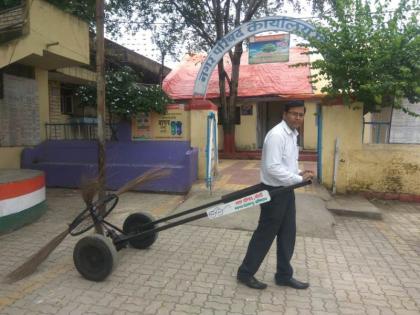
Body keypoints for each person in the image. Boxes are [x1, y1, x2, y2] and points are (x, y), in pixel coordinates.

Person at [237, 102, 314, 290]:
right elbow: (272, 167)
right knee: (265, 235)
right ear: (284, 113)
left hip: (286, 192)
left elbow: (287, 163)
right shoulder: (277, 135)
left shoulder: (292, 135)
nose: (298, 118)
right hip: (273, 193)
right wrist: (296, 178)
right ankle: (245, 273)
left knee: (288, 234)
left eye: (301, 115)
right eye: (294, 114)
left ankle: (284, 275)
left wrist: (299, 172)